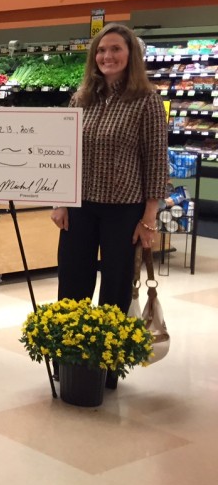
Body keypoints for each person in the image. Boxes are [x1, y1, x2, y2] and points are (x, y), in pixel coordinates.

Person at [51, 23, 167, 387]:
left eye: (115, 49)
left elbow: (156, 162)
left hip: (124, 209)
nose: (107, 57)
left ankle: (107, 367)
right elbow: (64, 153)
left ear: (130, 55)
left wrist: (149, 218)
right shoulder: (82, 98)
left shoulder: (146, 101)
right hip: (80, 207)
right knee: (72, 280)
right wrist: (60, 201)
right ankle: (68, 359)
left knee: (116, 286)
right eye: (101, 51)